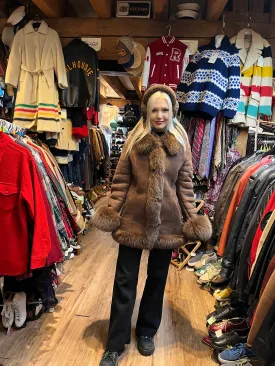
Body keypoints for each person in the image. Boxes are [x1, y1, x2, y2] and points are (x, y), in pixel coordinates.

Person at [92, 84, 212, 366]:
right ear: (147, 111)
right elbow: (120, 183)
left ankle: (147, 331)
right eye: (155, 109)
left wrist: (193, 217)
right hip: (133, 222)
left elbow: (184, 188)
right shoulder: (135, 145)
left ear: (173, 112)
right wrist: (112, 211)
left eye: (165, 110)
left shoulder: (180, 148)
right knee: (125, 281)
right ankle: (115, 341)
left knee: (157, 280)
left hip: (168, 225)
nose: (159, 115)